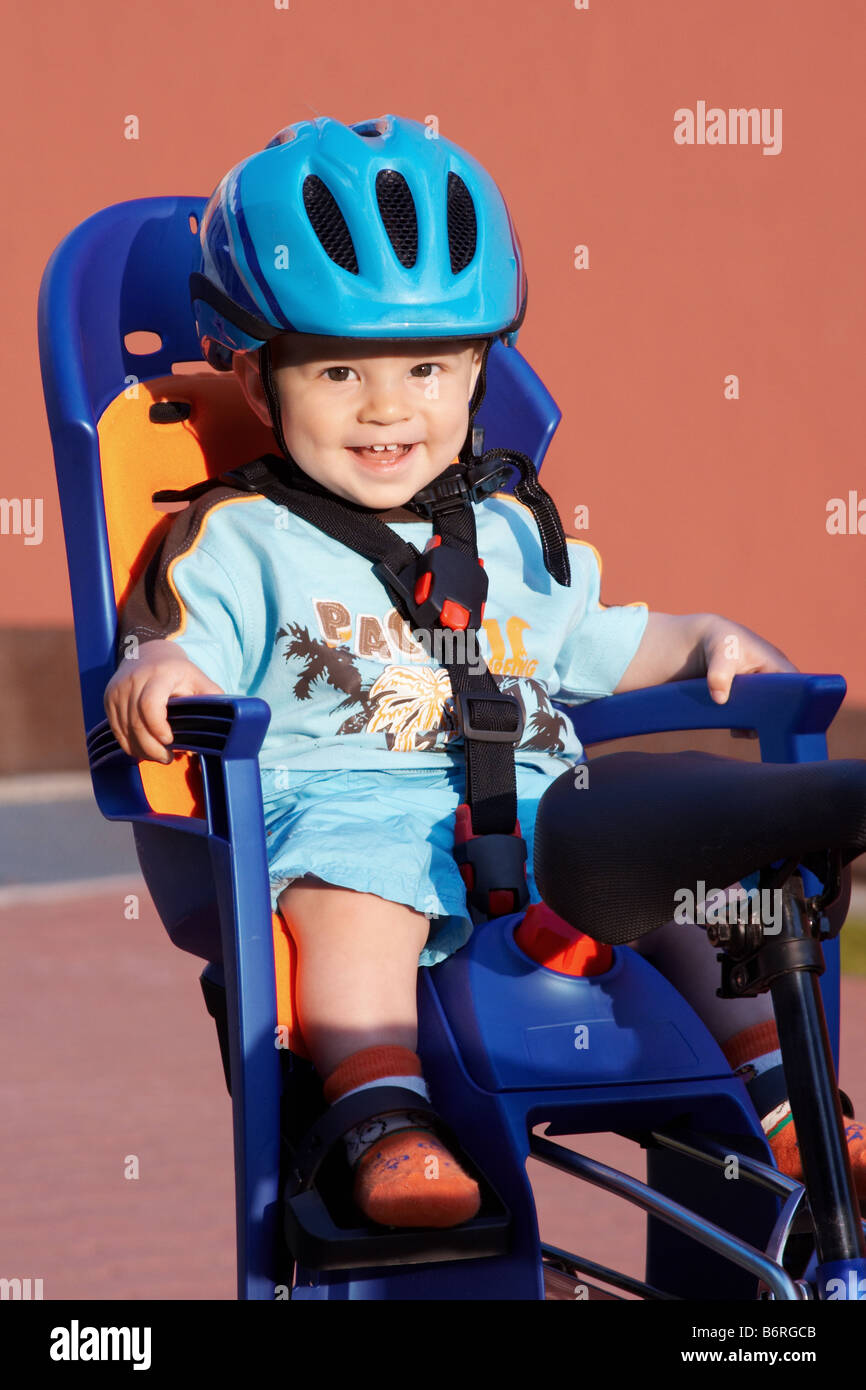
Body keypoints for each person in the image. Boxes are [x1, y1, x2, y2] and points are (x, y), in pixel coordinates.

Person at [104, 114, 864, 1230]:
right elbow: (182, 646)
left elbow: (604, 641)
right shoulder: (239, 538)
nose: (385, 406)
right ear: (262, 389)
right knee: (352, 904)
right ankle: (383, 1120)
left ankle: (792, 1104)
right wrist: (160, 667)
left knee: (705, 896)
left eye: (425, 366)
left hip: (556, 827)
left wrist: (705, 638)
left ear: (473, 372)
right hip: (354, 813)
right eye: (337, 371)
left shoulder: (508, 529)